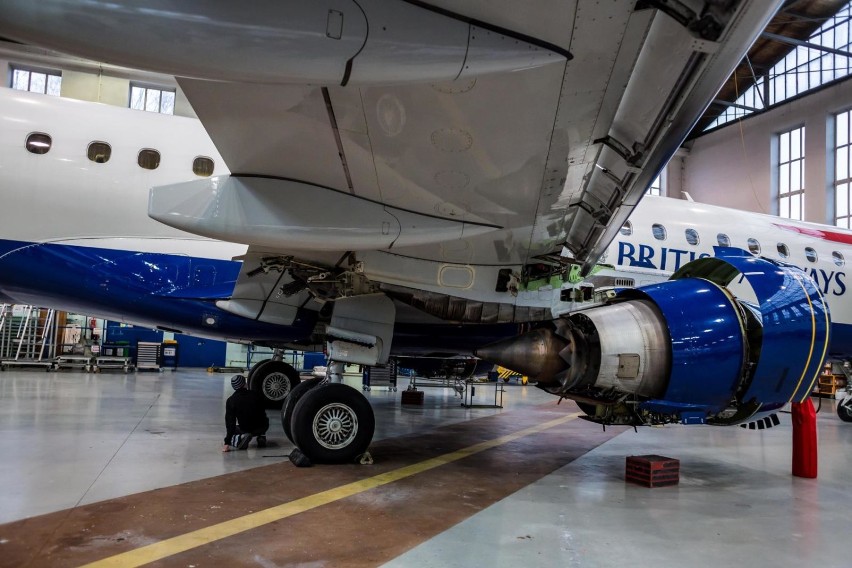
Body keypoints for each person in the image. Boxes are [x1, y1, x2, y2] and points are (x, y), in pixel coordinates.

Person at [222, 374, 269, 452]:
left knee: (234, 428)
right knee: (262, 418)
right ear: (245, 384)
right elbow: (262, 412)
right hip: (262, 426)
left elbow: (230, 423)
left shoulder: (231, 400)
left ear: (234, 387)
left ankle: (240, 439)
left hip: (245, 428)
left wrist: (227, 442)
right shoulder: (256, 394)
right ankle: (261, 436)